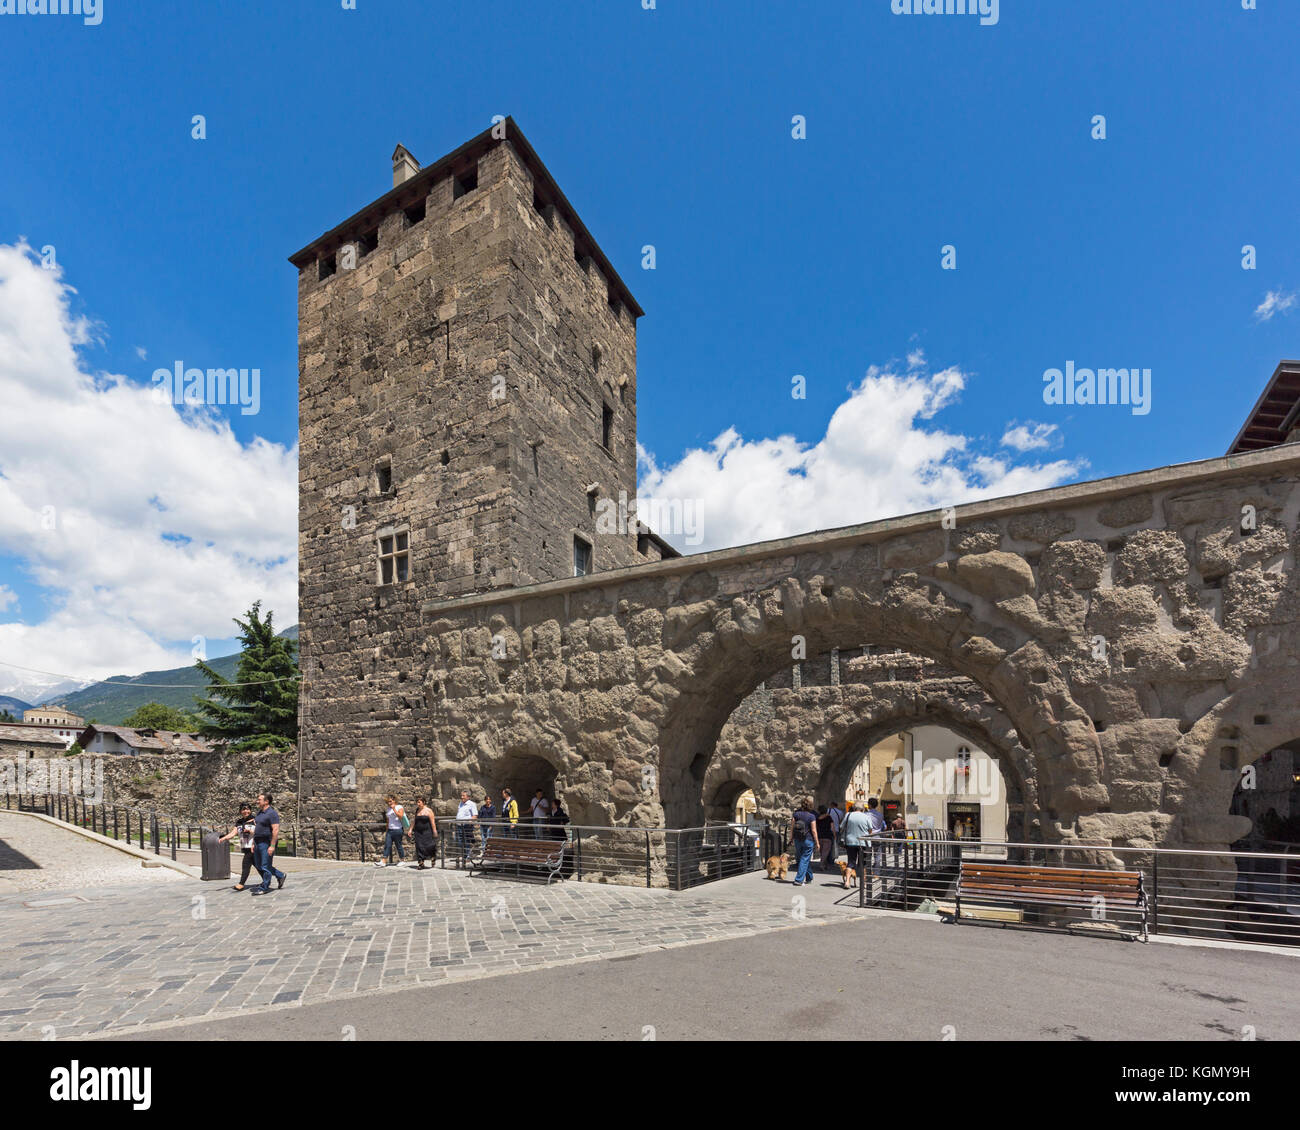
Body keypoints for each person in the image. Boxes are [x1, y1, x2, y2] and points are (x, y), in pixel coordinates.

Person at [250, 792, 286, 895]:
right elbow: (256, 828)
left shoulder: (272, 813)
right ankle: (280, 875)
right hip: (257, 841)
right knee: (258, 864)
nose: (257, 801)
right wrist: (253, 843)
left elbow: (275, 830)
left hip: (266, 842)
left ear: (266, 801)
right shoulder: (260, 813)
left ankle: (265, 887)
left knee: (265, 865)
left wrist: (272, 845)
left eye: (259, 800)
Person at [218, 802, 258, 891]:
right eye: (243, 809)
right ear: (240, 811)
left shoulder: (255, 820)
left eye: (247, 809)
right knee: (259, 866)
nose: (245, 811)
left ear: (250, 810)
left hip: (253, 847)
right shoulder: (239, 822)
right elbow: (233, 833)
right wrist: (223, 838)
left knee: (245, 865)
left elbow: (260, 833)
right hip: (245, 847)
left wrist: (251, 832)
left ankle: (241, 884)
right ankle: (277, 876)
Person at [840, 802, 873, 889]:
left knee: (850, 862)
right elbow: (870, 830)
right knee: (864, 864)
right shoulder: (866, 817)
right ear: (863, 809)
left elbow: (841, 827)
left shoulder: (848, 815)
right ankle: (864, 883)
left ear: (854, 808)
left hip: (850, 842)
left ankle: (847, 882)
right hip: (864, 843)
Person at [789, 797, 819, 886]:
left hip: (798, 840)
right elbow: (814, 830)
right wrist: (817, 842)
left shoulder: (796, 814)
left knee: (803, 859)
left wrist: (791, 839)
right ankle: (799, 880)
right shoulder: (812, 816)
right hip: (808, 840)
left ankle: (809, 877)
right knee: (804, 859)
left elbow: (792, 828)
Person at [375, 794, 406, 867]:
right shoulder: (388, 809)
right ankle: (383, 861)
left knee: (398, 845)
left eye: (390, 801)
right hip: (390, 830)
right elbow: (388, 820)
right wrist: (387, 829)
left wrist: (394, 809)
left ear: (394, 800)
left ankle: (402, 860)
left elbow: (401, 816)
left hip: (398, 829)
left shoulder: (399, 807)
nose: (389, 803)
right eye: (388, 802)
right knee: (387, 845)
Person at [410, 796, 438, 869]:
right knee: (419, 846)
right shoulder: (417, 810)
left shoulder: (429, 811)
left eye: (419, 802)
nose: (418, 804)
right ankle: (421, 862)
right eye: (417, 802)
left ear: (424, 802)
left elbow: (433, 822)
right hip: (418, 832)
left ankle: (432, 856)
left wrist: (434, 831)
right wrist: (410, 829)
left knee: (429, 845)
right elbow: (414, 821)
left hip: (427, 831)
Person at [455, 789, 478, 866]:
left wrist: (469, 822)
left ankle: (468, 856)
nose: (462, 797)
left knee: (467, 841)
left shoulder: (472, 804)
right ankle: (464, 855)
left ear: (468, 797)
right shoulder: (460, 803)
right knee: (460, 841)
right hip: (459, 825)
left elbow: (475, 815)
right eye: (461, 795)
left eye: (463, 796)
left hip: (466, 826)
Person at [864, 796, 887, 873]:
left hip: (868, 836)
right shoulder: (880, 815)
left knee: (868, 855)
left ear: (869, 805)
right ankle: (877, 872)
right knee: (877, 855)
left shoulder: (865, 814)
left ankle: (868, 871)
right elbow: (881, 825)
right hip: (877, 836)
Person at [816, 805, 835, 871]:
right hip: (827, 836)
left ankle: (825, 865)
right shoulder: (829, 817)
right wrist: (834, 835)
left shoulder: (817, 818)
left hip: (819, 836)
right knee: (825, 852)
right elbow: (832, 828)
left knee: (822, 852)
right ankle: (822, 864)